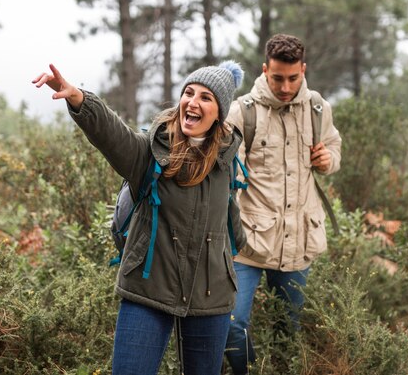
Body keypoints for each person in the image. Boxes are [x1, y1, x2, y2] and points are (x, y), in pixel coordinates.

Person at [32, 61, 247, 375]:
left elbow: (229, 217)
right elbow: (113, 135)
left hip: (210, 294)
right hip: (148, 287)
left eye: (205, 97)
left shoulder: (226, 161)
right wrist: (79, 98)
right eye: (189, 93)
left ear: (219, 113)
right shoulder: (152, 152)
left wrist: (234, 262)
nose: (193, 102)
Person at [224, 33, 342, 373]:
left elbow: (334, 146)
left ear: (304, 69)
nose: (286, 86)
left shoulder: (318, 108)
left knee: (287, 331)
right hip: (247, 241)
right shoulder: (241, 112)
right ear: (265, 70)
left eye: (294, 78)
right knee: (232, 323)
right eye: (278, 78)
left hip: (297, 242)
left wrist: (326, 159)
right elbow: (229, 173)